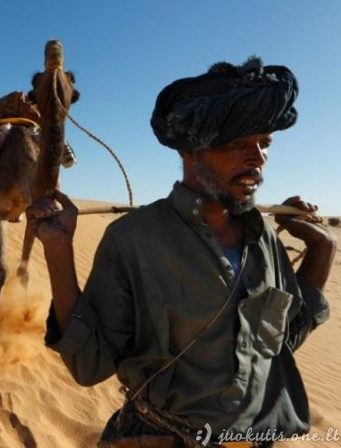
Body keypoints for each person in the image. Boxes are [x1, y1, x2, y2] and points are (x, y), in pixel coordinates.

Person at [27, 56, 337, 447]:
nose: (257, 159)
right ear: (191, 151)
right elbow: (88, 364)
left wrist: (322, 250)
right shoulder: (134, 239)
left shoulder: (265, 240)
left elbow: (283, 344)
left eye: (264, 143)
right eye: (238, 143)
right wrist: (57, 249)